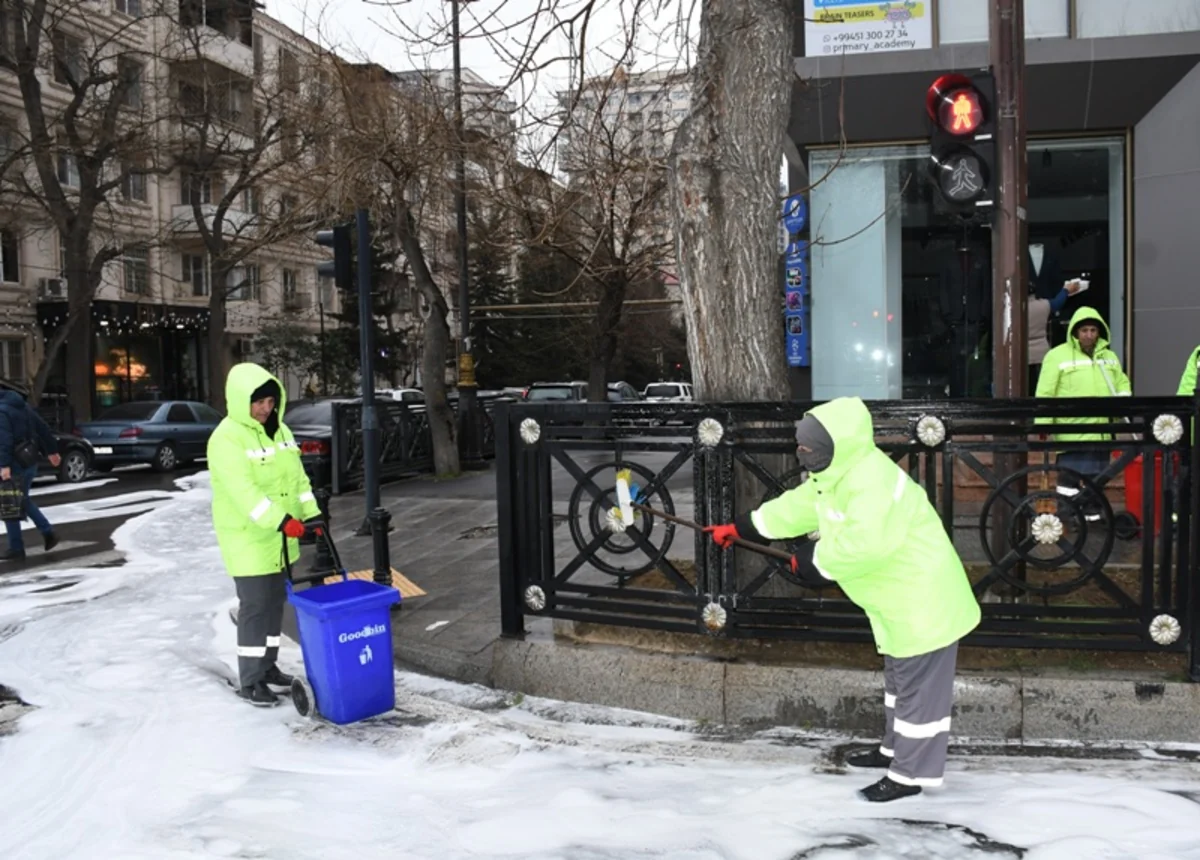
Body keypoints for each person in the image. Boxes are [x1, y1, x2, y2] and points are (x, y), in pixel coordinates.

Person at [704, 397, 981, 803]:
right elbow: (800, 507)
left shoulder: (872, 481)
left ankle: (910, 774)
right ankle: (893, 749)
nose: (802, 454)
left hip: (924, 599)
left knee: (920, 692)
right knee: (900, 682)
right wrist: (744, 526)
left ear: (837, 445)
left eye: (808, 447)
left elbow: (865, 544)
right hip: (897, 600)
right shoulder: (834, 473)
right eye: (799, 445)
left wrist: (814, 562)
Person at [208, 363, 322, 706]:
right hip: (249, 538)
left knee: (275, 605)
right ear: (242, 400)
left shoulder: (281, 431)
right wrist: (281, 520)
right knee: (256, 608)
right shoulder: (226, 438)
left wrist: (312, 512)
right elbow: (244, 493)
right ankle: (251, 679)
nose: (265, 409)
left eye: (271, 402)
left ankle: (269, 667)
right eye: (258, 403)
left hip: (280, 537)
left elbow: (298, 479)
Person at [1035, 306, 1131, 517]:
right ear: (1076, 332)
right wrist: (1043, 423)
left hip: (1101, 430)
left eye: (1093, 330)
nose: (1089, 335)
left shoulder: (1109, 356)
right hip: (1072, 430)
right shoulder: (1057, 355)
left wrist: (1123, 401)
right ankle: (1067, 516)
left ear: (1099, 332)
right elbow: (1045, 391)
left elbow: (1121, 382)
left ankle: (1093, 520)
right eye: (1084, 330)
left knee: (1097, 479)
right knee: (1069, 479)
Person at [0, 385, 61, 561]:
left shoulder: (2, 411)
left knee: (10, 502)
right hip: (28, 460)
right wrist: (52, 451)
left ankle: (17, 548)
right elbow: (42, 428)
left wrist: (4, 465)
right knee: (20, 500)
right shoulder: (22, 407)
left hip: (13, 464)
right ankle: (47, 532)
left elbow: (4, 440)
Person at [1027, 278, 1085, 394]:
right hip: (1041, 352)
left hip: (1022, 354)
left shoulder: (1012, 308)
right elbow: (1058, 302)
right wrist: (1065, 290)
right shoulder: (1044, 305)